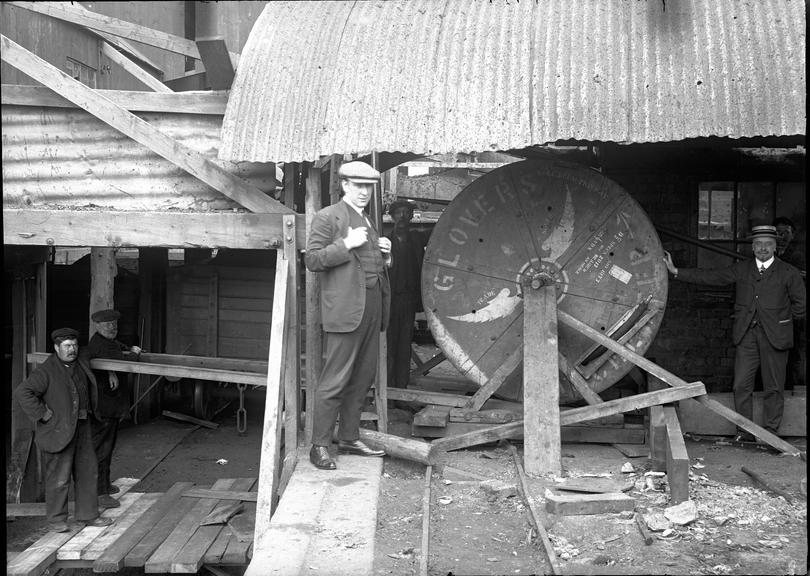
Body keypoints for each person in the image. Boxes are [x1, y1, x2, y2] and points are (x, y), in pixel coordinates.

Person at [663, 225, 806, 441]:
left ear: (776, 246)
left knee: (774, 386)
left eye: (768, 244)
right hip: (746, 334)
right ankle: (745, 430)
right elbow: (714, 276)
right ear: (752, 247)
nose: (763, 248)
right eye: (758, 244)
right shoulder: (742, 269)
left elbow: (801, 306)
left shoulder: (789, 273)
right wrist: (676, 272)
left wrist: (780, 323)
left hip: (775, 337)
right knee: (741, 385)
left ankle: (771, 432)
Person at [305, 160, 392, 470]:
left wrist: (386, 256)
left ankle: (349, 437)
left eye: (368, 187)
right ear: (344, 186)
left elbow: (368, 265)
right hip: (345, 309)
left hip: (371, 307)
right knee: (335, 379)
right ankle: (319, 446)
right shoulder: (328, 217)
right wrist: (345, 244)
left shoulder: (367, 220)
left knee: (362, 376)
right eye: (358, 186)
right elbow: (313, 259)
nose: (364, 193)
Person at [14, 328, 113, 532]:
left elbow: (100, 346)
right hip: (59, 430)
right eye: (67, 346)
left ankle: (88, 515)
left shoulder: (81, 361)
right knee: (59, 478)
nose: (72, 349)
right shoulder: (47, 370)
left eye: (75, 345)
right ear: (57, 347)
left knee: (88, 471)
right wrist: (44, 414)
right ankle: (57, 520)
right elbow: (23, 392)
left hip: (83, 426)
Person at [84, 309, 142, 509]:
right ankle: (99, 493)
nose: (112, 327)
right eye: (107, 324)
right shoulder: (99, 344)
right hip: (104, 407)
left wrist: (124, 353)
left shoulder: (109, 342)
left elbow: (118, 350)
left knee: (108, 447)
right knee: (101, 449)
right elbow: (122, 363)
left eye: (114, 324)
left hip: (111, 406)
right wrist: (133, 354)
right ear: (98, 326)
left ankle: (105, 485)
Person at [385, 199, 428, 389]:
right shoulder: (385, 240)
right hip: (389, 301)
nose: (402, 217)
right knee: (388, 344)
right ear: (392, 216)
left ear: (411, 216)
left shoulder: (417, 239)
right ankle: (387, 389)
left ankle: (401, 388)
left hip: (408, 300)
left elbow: (443, 230)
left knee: (404, 345)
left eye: (406, 213)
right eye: (398, 213)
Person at [773, 217, 806, 390]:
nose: (781, 236)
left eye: (785, 232)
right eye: (777, 233)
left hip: (794, 312)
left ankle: (794, 387)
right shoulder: (770, 253)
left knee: (794, 351)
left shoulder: (799, 256)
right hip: (774, 312)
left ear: (793, 234)